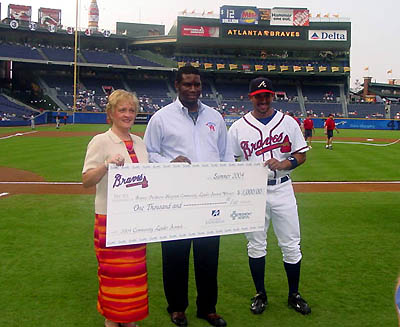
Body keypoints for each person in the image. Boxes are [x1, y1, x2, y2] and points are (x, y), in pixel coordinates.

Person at [144, 66, 231, 327]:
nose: (193, 89)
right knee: (175, 255)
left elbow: (225, 154)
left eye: (197, 85)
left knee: (208, 256)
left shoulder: (214, 117)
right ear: (177, 85)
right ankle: (177, 308)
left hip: (209, 198)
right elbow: (149, 154)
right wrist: (171, 161)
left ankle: (207, 308)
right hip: (176, 198)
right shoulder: (161, 118)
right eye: (187, 84)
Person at [227, 77, 311, 316]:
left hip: (283, 188)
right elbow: (230, 160)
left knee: (291, 245)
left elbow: (301, 155)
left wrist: (285, 163)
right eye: (258, 96)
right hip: (254, 192)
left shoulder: (288, 123)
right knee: (255, 245)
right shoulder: (238, 127)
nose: (263, 100)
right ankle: (260, 294)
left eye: (267, 95)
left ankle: (294, 294)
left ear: (272, 96)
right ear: (251, 97)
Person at [82, 89, 149, 327]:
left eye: (132, 110)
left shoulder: (140, 143)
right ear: (111, 113)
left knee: (134, 275)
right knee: (112, 275)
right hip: (109, 219)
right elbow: (86, 180)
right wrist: (106, 166)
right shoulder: (100, 141)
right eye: (122, 110)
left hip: (136, 220)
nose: (128, 114)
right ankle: (112, 320)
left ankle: (128, 319)